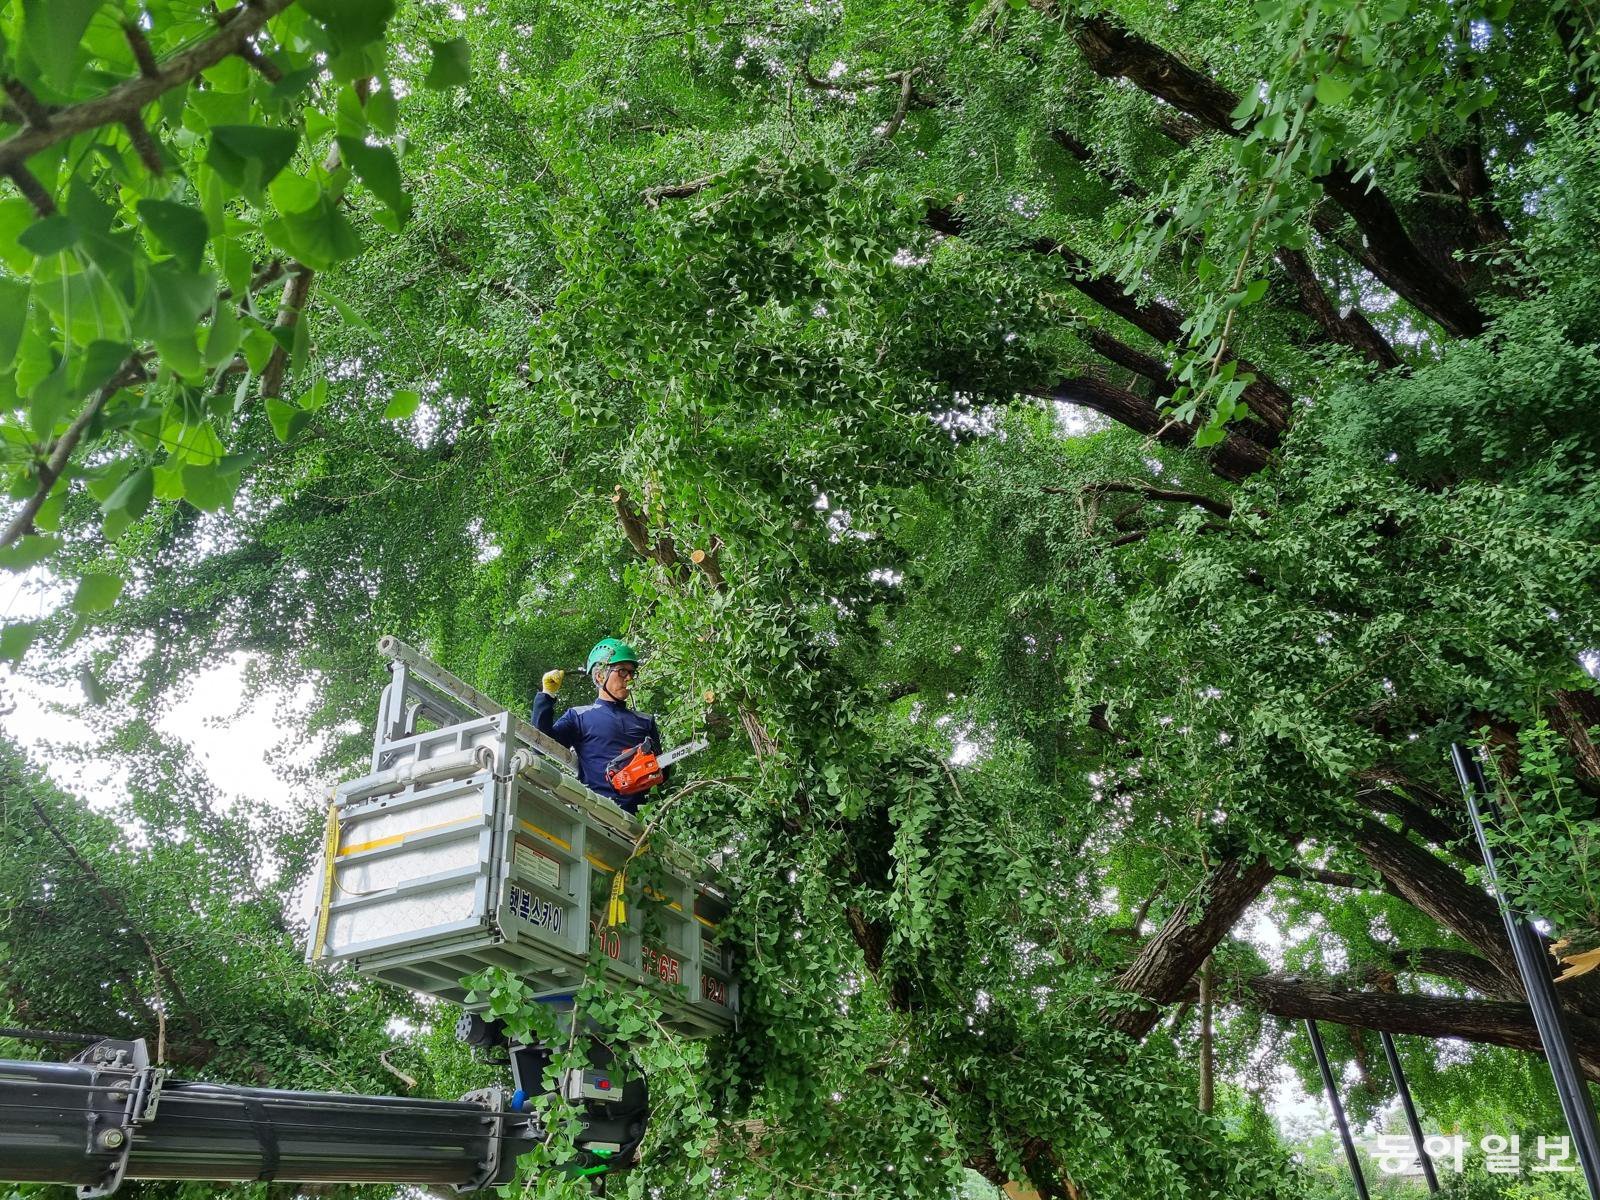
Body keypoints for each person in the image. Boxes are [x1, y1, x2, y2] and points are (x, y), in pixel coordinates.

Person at [532, 637, 666, 813]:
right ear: (600, 676)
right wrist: (546, 695)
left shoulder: (645, 720)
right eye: (622, 672)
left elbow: (663, 773)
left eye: (632, 673)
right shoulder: (579, 716)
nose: (629, 679)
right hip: (598, 815)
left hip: (642, 819)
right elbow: (541, 744)